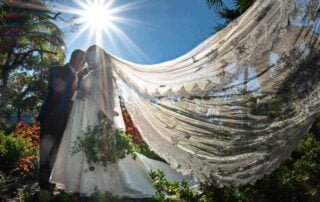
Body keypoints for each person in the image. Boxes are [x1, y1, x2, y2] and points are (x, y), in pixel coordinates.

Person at [50, 45, 194, 198]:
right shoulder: (93, 72)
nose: (87, 62)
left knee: (96, 147)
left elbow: (107, 96)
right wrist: (79, 93)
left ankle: (97, 183)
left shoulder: (104, 73)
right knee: (84, 146)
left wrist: (107, 116)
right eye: (87, 59)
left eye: (90, 58)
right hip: (84, 116)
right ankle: (81, 182)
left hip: (94, 115)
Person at [37, 49, 86, 189]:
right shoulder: (57, 70)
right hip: (51, 118)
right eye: (82, 60)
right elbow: (58, 89)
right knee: (46, 148)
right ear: (74, 58)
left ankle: (52, 180)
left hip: (67, 120)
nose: (83, 64)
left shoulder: (81, 76)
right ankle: (43, 184)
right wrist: (76, 94)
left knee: (58, 150)